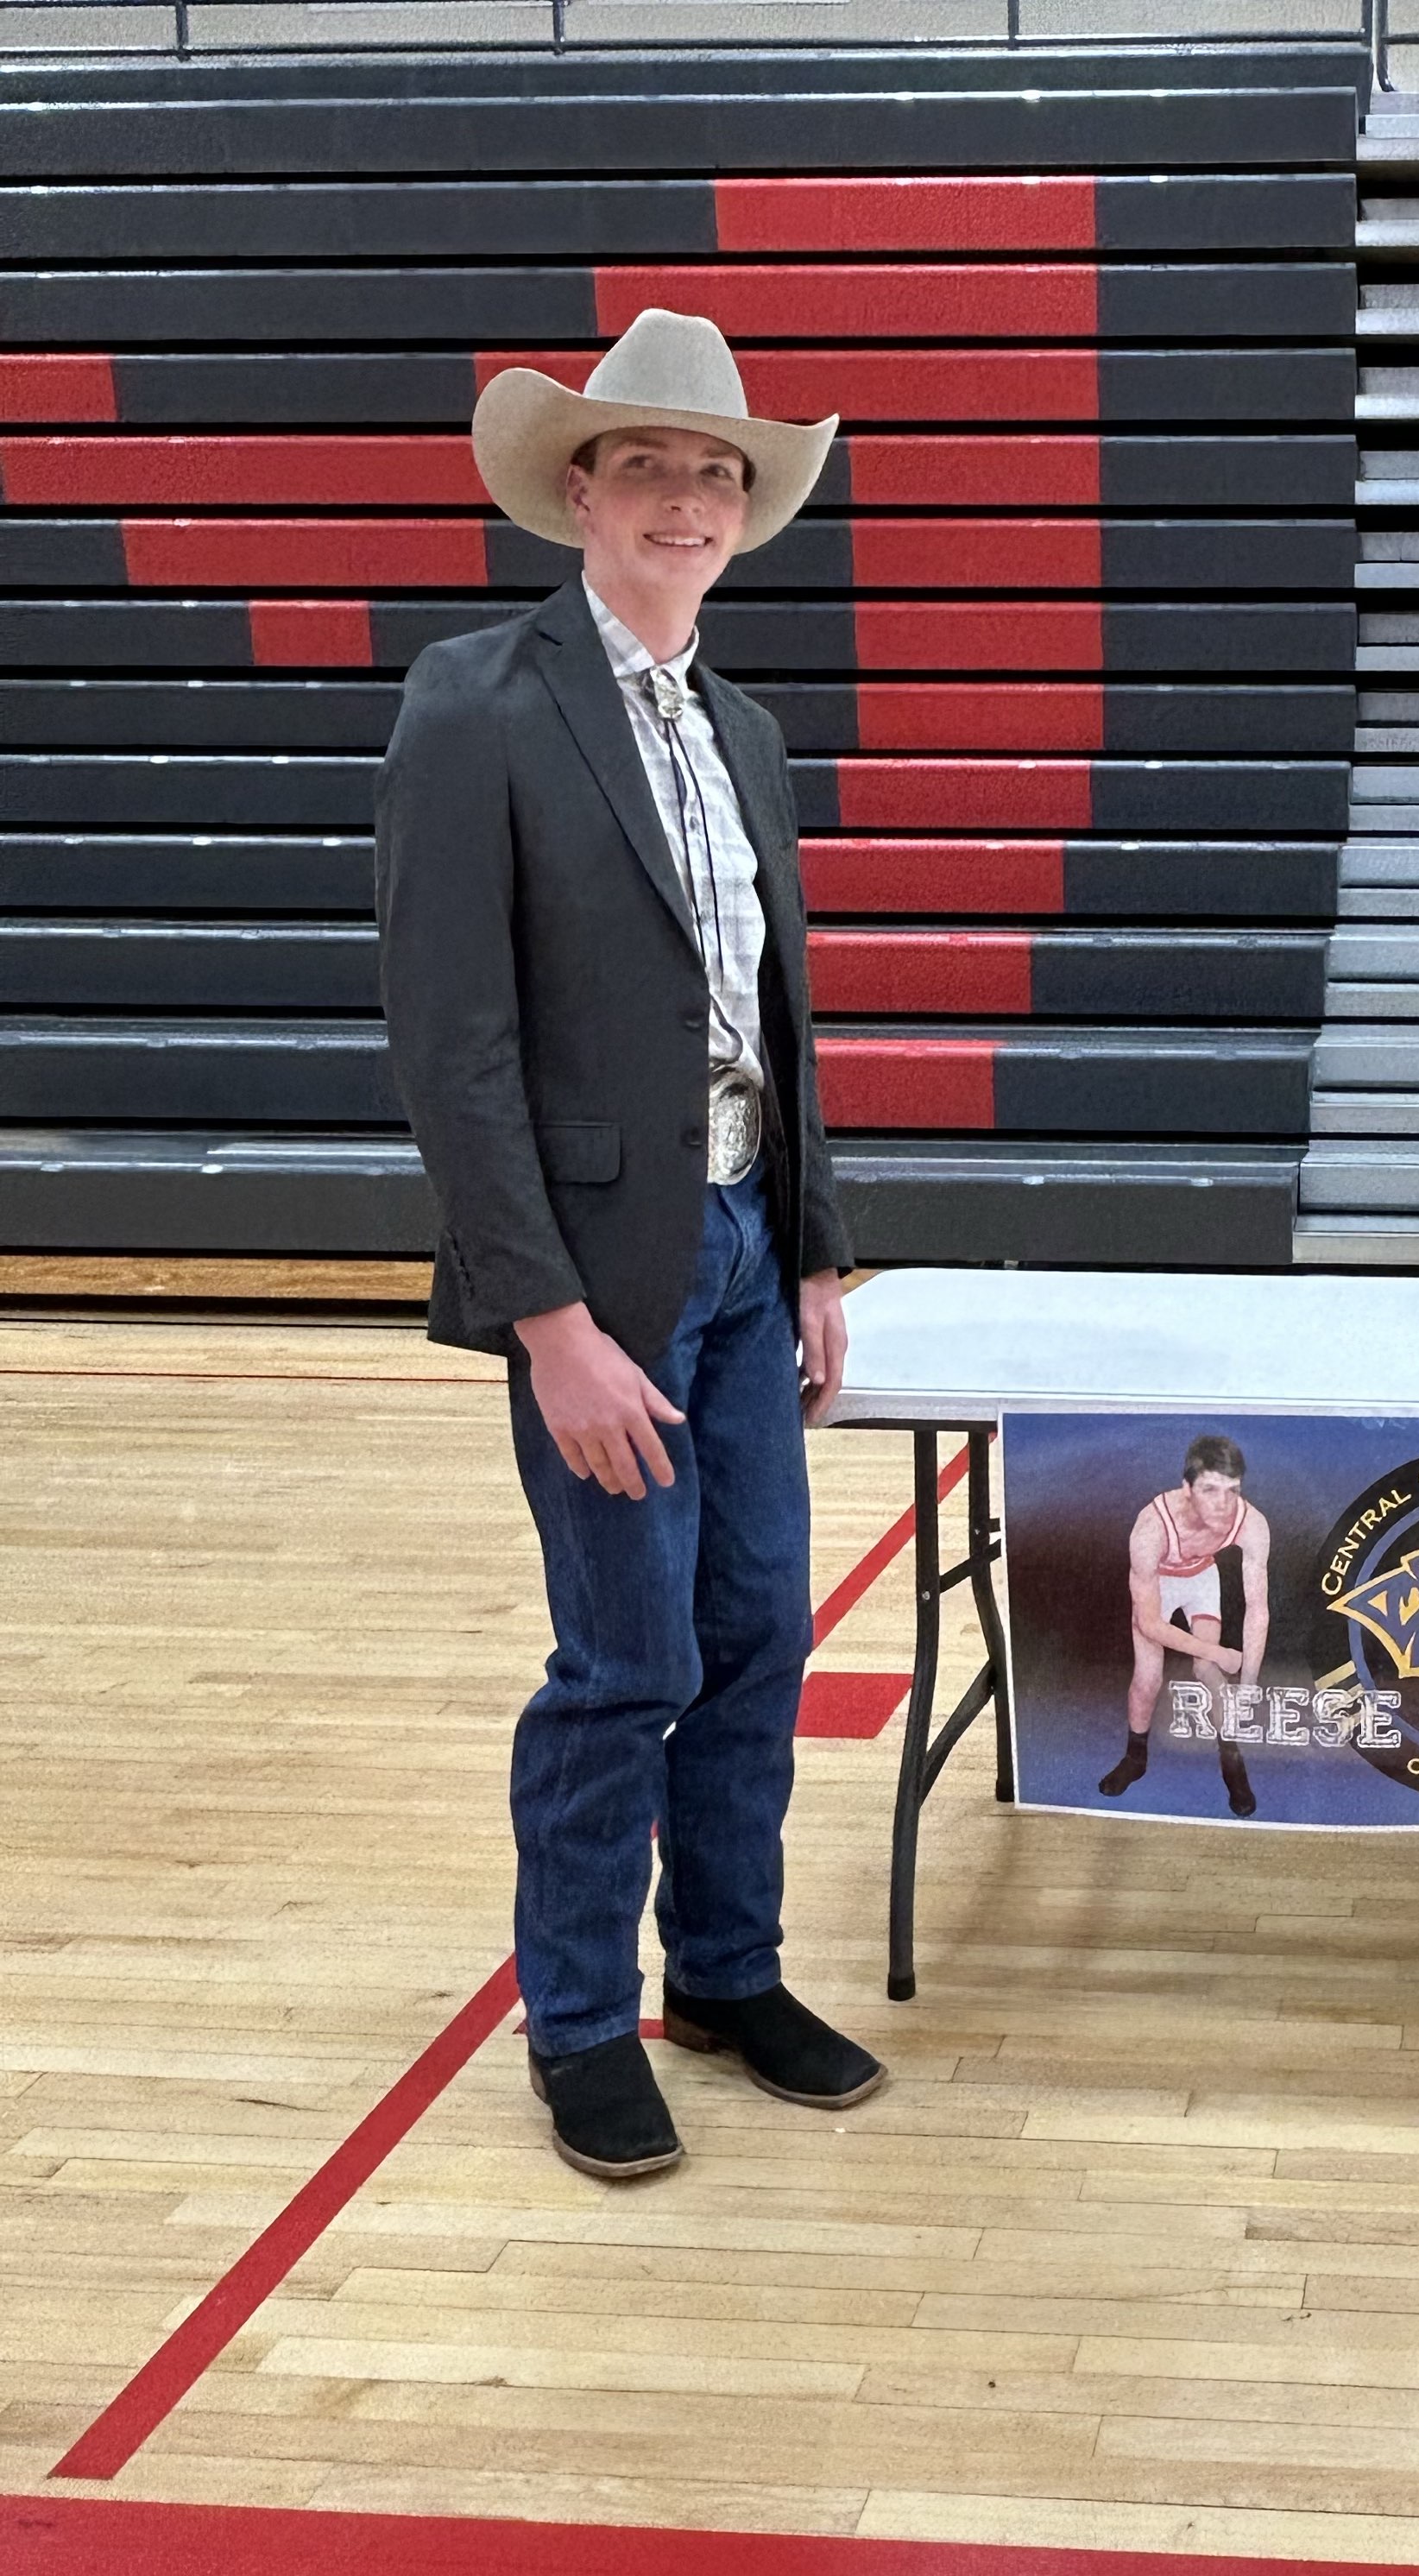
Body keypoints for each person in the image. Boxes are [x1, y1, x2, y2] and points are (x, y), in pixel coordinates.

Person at [376, 309, 880, 2182]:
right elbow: (452, 1042)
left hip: (747, 1244)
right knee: (625, 1657)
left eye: (717, 471)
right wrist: (548, 1319)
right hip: (599, 1277)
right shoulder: (478, 703)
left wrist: (813, 1248)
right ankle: (580, 2016)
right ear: (578, 490)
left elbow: (778, 1015)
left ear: (746, 508)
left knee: (755, 1634)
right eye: (650, 464)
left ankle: (726, 1973)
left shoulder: (744, 730)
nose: (688, 498)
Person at [1101, 1434, 1271, 1817]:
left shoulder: (1252, 1523)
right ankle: (1135, 1757)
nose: (1223, 1504)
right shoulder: (1151, 1527)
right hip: (1159, 1583)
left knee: (1208, 1671)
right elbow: (1149, 1623)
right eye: (1210, 1490)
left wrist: (1249, 1683)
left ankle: (1231, 1759)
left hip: (1201, 1577)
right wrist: (1220, 1652)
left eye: (1232, 1490)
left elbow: (1257, 1608)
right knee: (1148, 1679)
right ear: (1187, 1489)